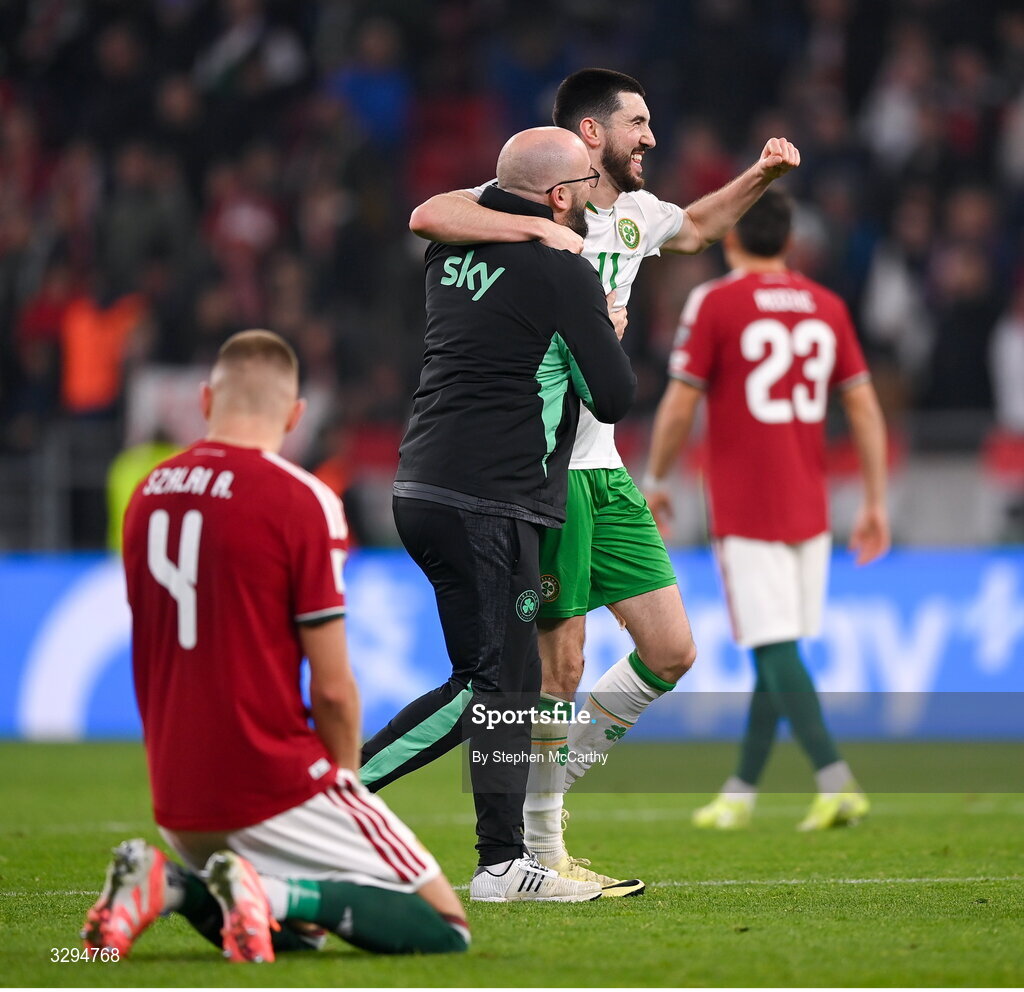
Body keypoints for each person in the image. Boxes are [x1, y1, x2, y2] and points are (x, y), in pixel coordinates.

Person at [406, 68, 801, 892]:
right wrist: (546, 238)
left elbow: (693, 229)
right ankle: (537, 849)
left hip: (605, 464)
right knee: (559, 666)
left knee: (671, 648)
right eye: (639, 123)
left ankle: (543, 804)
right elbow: (432, 215)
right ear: (592, 135)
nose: (651, 138)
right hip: (541, 463)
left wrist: (759, 174)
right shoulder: (531, 199)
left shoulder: (635, 217)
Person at [82, 330, 469, 962]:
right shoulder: (302, 500)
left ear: (207, 401)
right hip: (269, 779)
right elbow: (334, 687)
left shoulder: (146, 495)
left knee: (297, 942)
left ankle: (171, 884)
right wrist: (343, 785)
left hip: (177, 796)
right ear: (295, 415)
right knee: (444, 928)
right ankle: (268, 890)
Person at [360, 126, 636, 903]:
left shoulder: (451, 248)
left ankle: (502, 863)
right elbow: (613, 397)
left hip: (428, 482)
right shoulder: (560, 271)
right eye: (584, 182)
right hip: (490, 497)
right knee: (482, 687)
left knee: (508, 684)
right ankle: (333, 795)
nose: (592, 193)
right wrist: (606, 332)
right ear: (558, 197)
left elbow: (438, 210)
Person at [643, 188, 890, 830]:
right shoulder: (827, 306)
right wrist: (874, 500)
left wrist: (657, 475)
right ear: (790, 243)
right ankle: (741, 792)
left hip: (745, 504)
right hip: (810, 504)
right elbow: (862, 407)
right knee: (775, 648)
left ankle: (835, 780)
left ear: (729, 237)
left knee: (773, 643)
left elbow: (680, 401)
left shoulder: (715, 301)